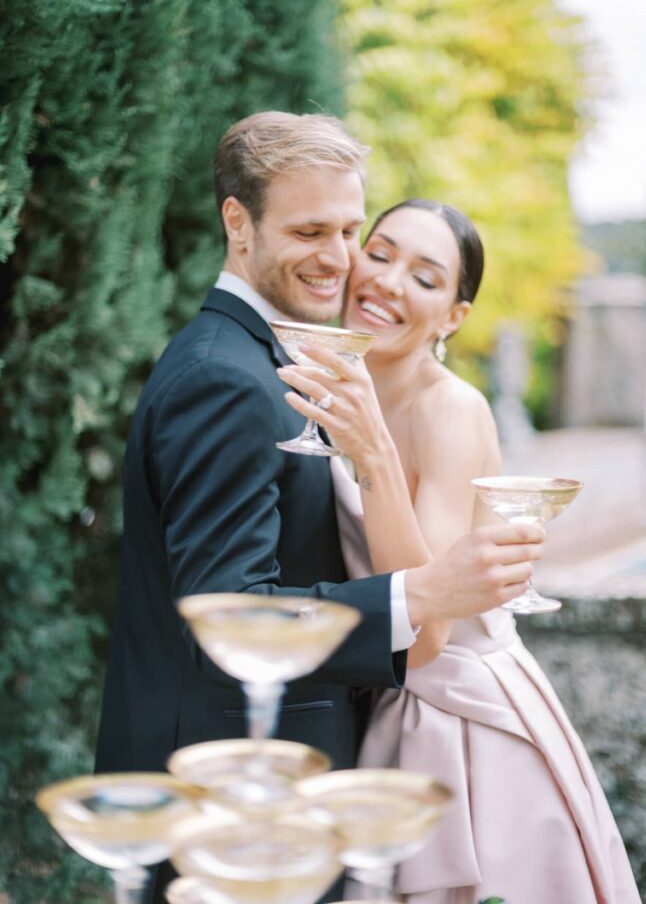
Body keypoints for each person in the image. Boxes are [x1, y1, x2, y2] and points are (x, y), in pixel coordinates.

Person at [94, 114, 543, 903]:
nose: (338, 260)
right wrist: (427, 594)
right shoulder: (225, 379)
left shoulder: (280, 360)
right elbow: (226, 616)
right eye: (309, 231)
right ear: (238, 222)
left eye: (347, 230)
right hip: (228, 797)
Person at [277, 198, 641, 904]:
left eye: (425, 276)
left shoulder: (453, 410)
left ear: (453, 316)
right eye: (379, 254)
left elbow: (426, 636)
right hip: (383, 702)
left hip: (459, 726)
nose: (385, 281)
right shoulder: (330, 389)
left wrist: (376, 456)